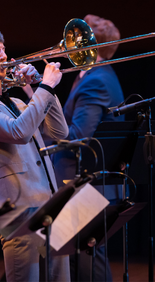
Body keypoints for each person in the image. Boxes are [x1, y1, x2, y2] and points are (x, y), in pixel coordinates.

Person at [0, 26, 70, 281]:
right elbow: (18, 132)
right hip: (20, 216)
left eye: (4, 50)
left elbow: (60, 132)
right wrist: (47, 87)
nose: (4, 56)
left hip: (51, 206)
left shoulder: (17, 102)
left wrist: (39, 85)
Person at [51, 14, 124, 281]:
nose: (68, 44)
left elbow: (78, 137)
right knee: (78, 259)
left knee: (86, 261)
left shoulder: (95, 79)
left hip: (83, 180)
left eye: (76, 39)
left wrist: (41, 107)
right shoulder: (95, 75)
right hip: (86, 180)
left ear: (89, 44)